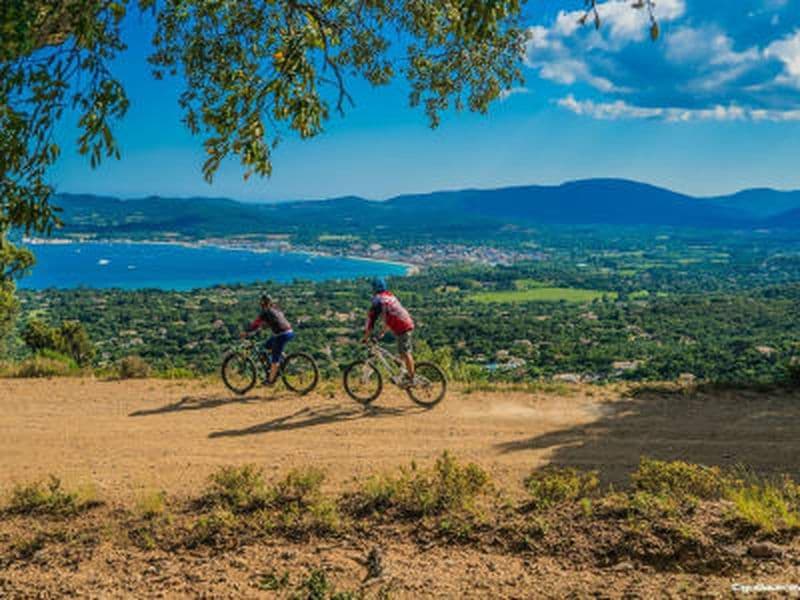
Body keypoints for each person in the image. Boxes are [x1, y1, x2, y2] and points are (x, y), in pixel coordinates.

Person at [363, 277, 415, 385]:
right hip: (404, 324)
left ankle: (411, 378)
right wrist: (382, 332)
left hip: (403, 327)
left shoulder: (378, 300)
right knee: (400, 352)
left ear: (374, 289)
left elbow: (371, 320)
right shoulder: (389, 296)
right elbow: (390, 316)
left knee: (405, 352)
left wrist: (366, 337)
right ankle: (401, 375)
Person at [241, 293, 294, 385]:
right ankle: (282, 358)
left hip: (281, 335)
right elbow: (273, 322)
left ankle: (270, 380)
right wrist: (260, 329)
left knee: (274, 359)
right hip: (289, 332)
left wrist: (246, 332)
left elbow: (255, 324)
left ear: (262, 303)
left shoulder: (264, 312)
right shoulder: (275, 309)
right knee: (266, 346)